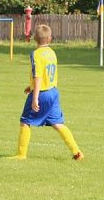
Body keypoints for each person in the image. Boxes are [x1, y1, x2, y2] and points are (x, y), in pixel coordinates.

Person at [9, 24, 83, 161]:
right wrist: (30, 87)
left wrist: (35, 97)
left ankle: (21, 154)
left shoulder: (36, 54)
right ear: (50, 39)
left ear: (34, 38)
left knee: (25, 121)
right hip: (53, 92)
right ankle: (77, 152)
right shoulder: (52, 52)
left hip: (42, 93)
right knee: (57, 124)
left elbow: (38, 76)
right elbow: (47, 74)